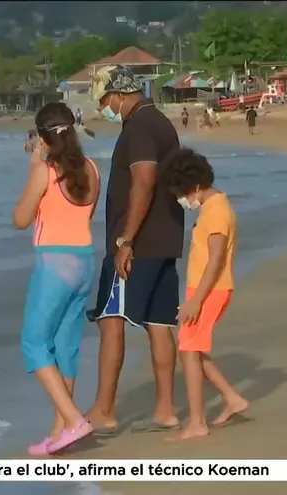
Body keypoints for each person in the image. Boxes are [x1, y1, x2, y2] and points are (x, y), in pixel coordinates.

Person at [86, 64, 184, 435]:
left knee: (111, 320)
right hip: (166, 238)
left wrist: (125, 240)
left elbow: (143, 182)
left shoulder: (140, 127)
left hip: (138, 243)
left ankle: (104, 410)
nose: (103, 108)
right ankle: (165, 410)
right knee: (159, 323)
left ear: (119, 94)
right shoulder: (160, 122)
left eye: (105, 100)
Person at [12, 102, 101, 455]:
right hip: (84, 262)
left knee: (34, 343)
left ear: (43, 138)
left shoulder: (46, 171)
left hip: (54, 265)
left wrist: (34, 166)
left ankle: (75, 420)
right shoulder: (92, 169)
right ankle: (60, 430)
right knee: (66, 347)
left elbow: (21, 218)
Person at [162, 148, 248, 441]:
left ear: (195, 187)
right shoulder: (214, 207)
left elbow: (215, 260)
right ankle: (232, 398)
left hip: (210, 290)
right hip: (205, 289)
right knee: (192, 348)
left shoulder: (216, 211)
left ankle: (197, 422)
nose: (182, 200)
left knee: (188, 351)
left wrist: (196, 300)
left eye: (182, 193)